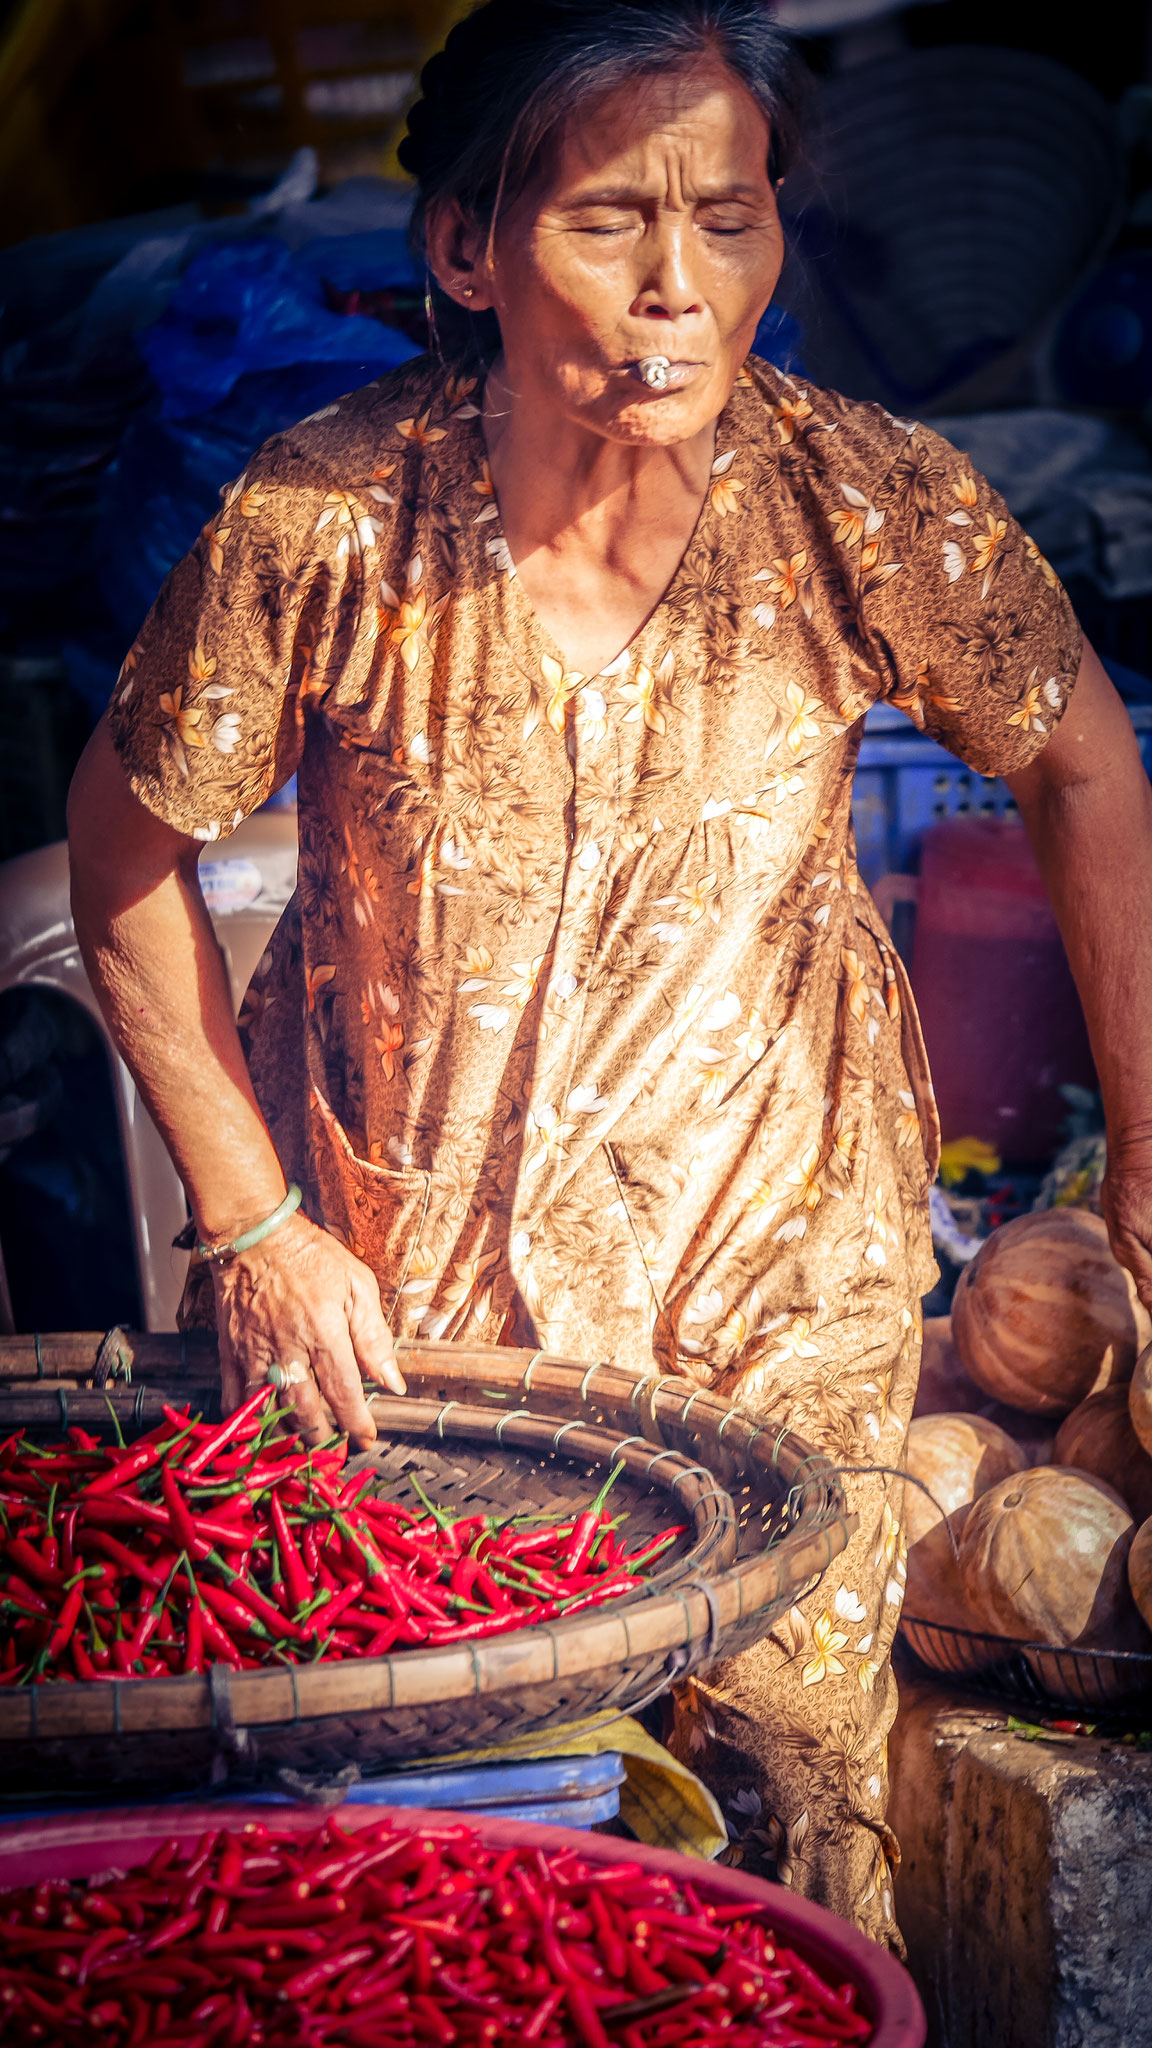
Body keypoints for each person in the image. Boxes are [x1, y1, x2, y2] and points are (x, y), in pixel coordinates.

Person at [67, 0, 1152, 1947]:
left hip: (785, 1340)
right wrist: (249, 1224)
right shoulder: (325, 522)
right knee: (481, 1892)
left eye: (726, 219)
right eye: (606, 221)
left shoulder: (863, 499)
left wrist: (1145, 1155)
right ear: (467, 248)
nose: (677, 286)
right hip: (453, 1363)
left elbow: (1085, 755)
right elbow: (124, 844)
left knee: (798, 1873)